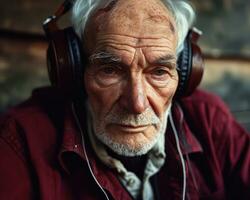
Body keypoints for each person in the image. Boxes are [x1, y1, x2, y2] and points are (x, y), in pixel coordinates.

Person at [0, 0, 249, 199]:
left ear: (184, 74)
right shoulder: (20, 141)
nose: (137, 103)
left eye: (159, 72)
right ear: (74, 70)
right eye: (110, 70)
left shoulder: (208, 118)